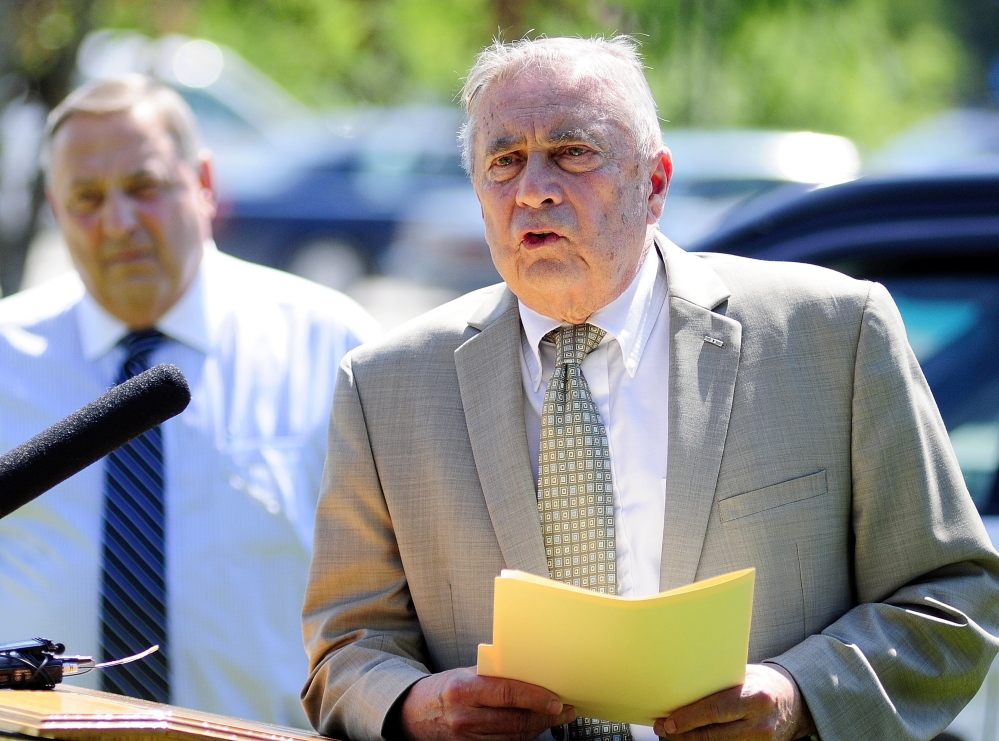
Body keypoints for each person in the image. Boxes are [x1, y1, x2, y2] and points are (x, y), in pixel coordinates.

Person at [301, 36, 999, 741]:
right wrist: (416, 706)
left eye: (573, 151)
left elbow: (952, 597)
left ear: (654, 183)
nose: (533, 188)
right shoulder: (384, 385)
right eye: (503, 161)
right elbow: (346, 647)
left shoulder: (830, 332)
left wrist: (799, 695)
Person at [0, 75, 379, 727]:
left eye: (144, 189)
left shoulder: (332, 343)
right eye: (87, 198)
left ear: (203, 182)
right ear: (56, 209)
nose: (119, 223)